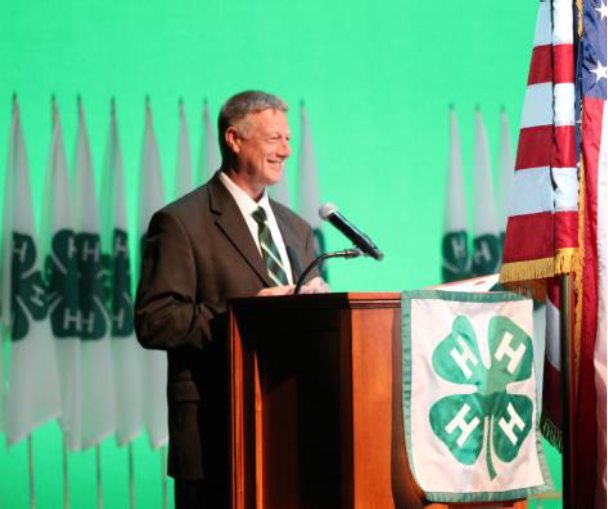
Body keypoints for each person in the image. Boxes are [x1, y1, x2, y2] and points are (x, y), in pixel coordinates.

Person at [135, 90, 327, 508]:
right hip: (216, 433)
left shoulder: (297, 229)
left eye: (289, 139)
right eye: (274, 139)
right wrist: (244, 316)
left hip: (291, 429)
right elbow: (155, 319)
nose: (287, 151)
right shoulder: (181, 222)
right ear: (233, 139)